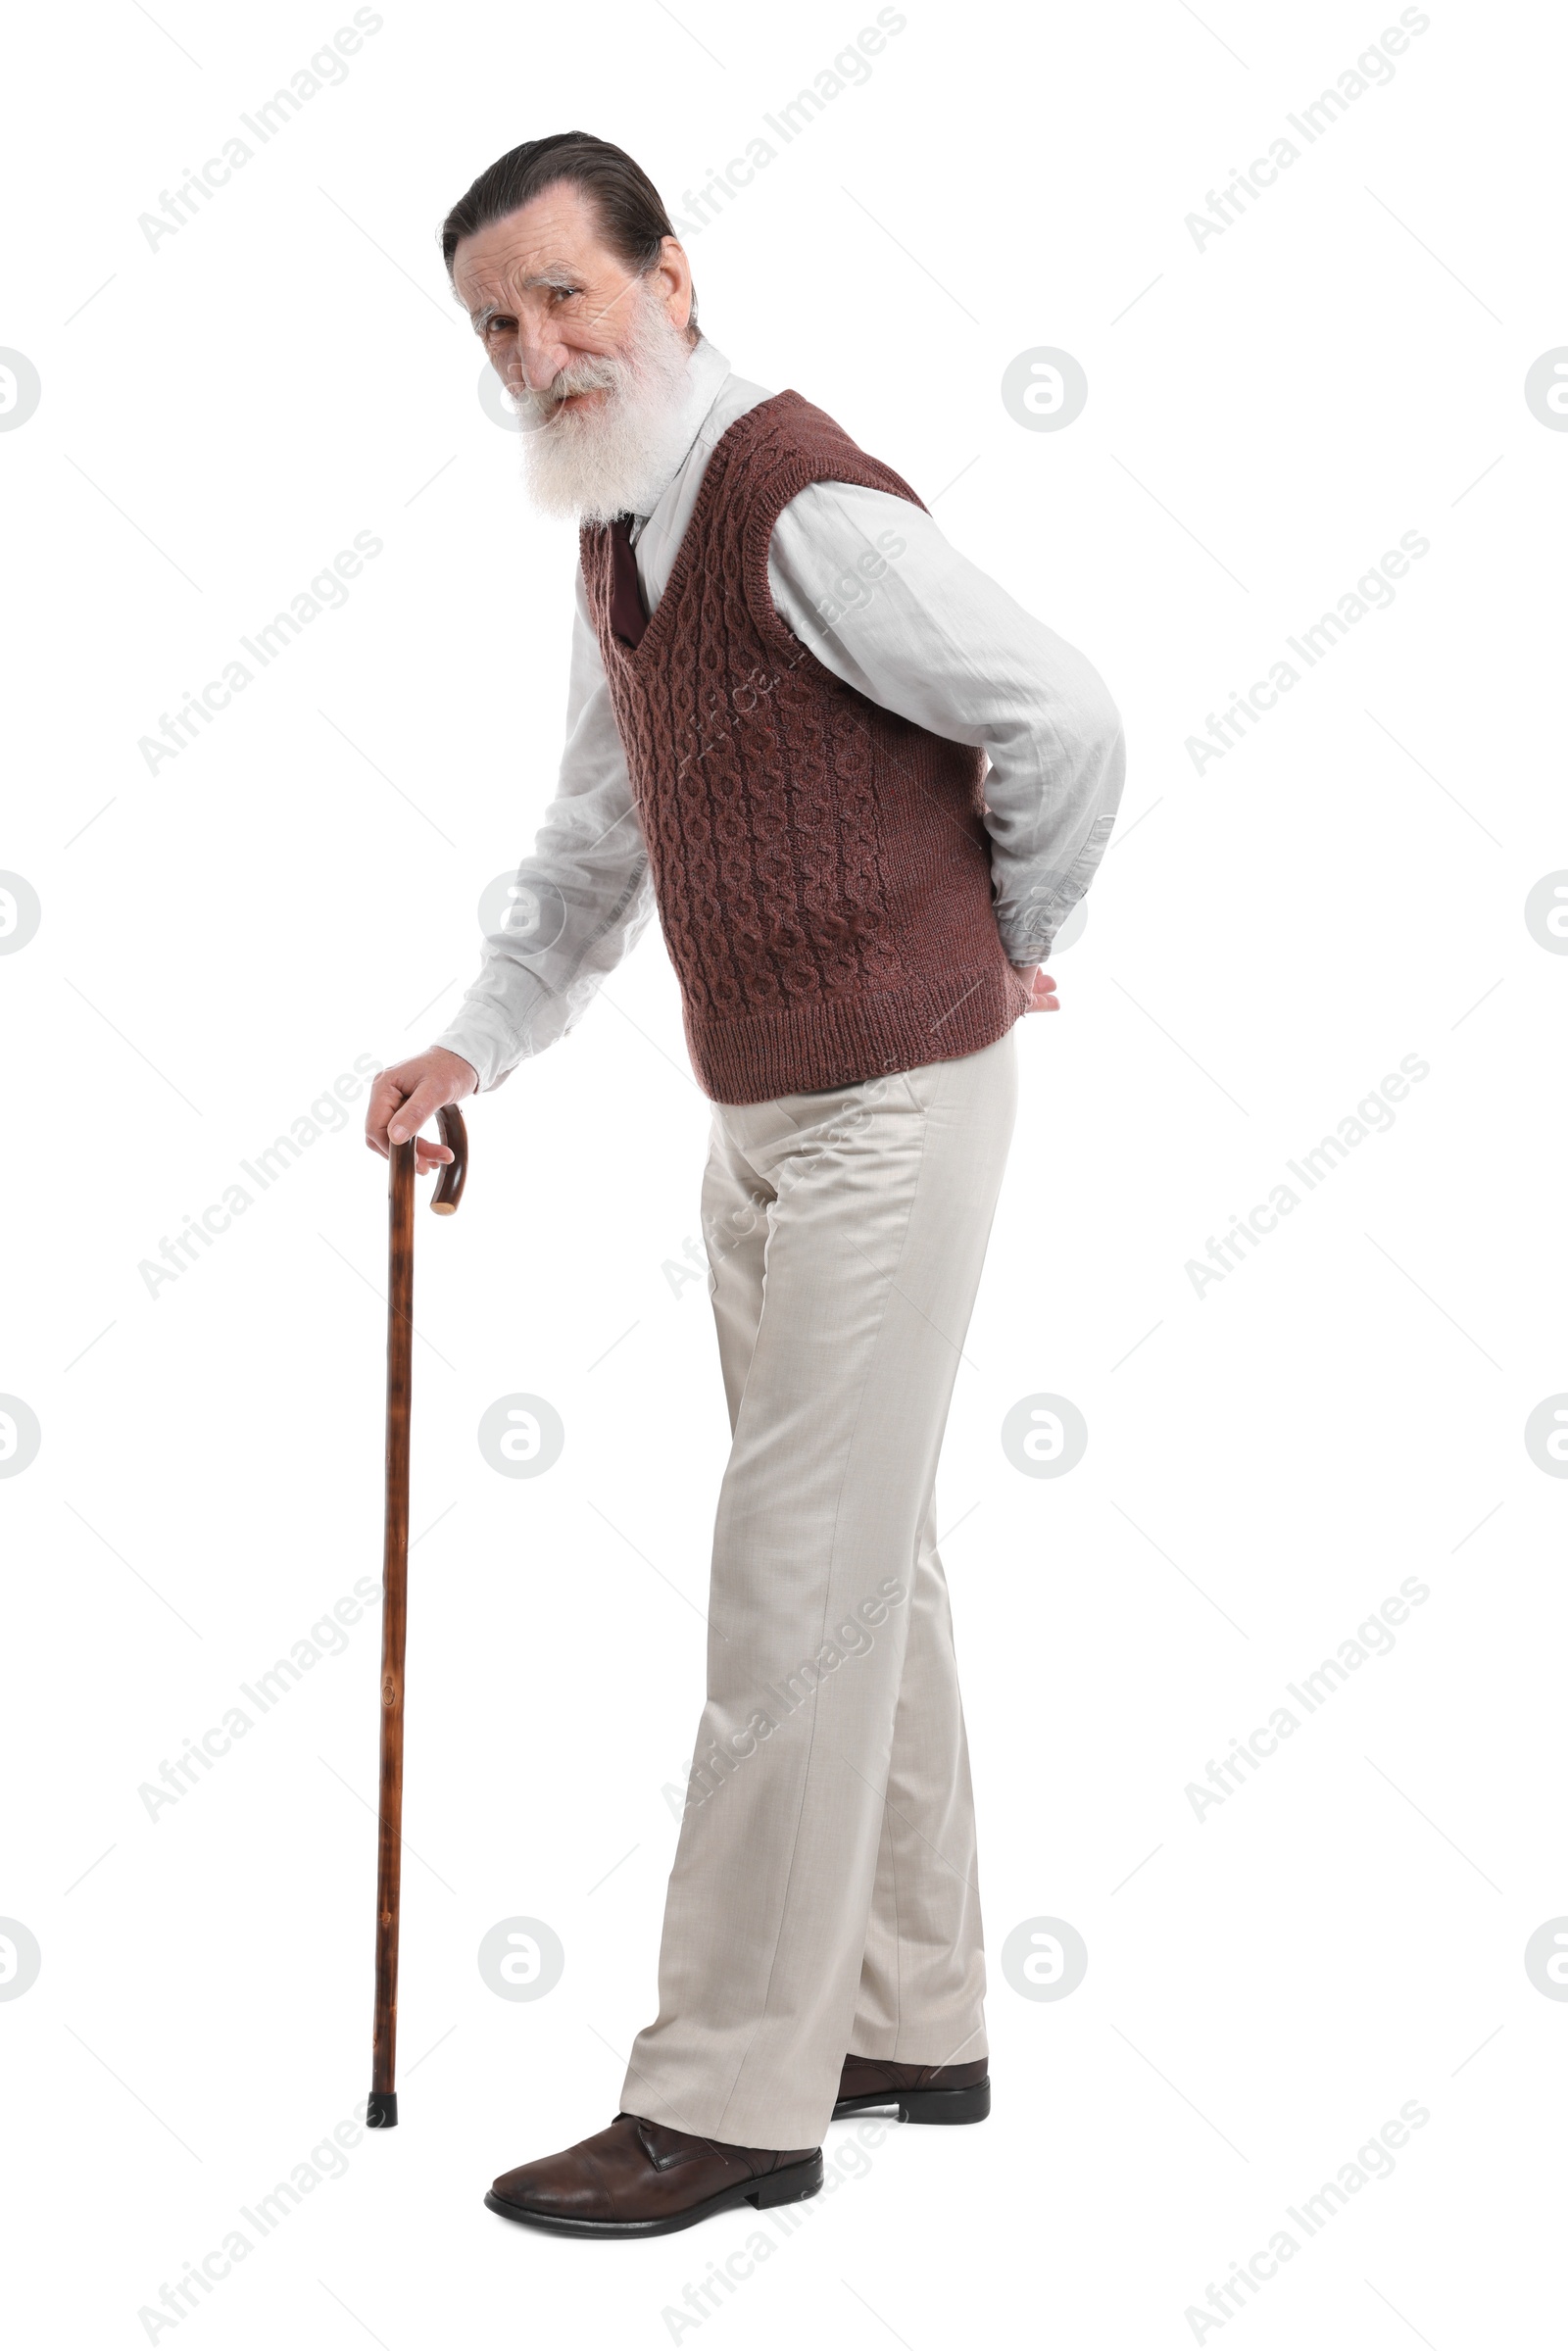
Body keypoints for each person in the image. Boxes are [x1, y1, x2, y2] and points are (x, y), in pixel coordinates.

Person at [365, 130, 1125, 2240]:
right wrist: (469, 1047)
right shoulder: (618, 537)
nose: (535, 348)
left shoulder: (800, 509)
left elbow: (1063, 715)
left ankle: (726, 2096)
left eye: (565, 295)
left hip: (893, 1100)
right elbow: (596, 853)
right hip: (764, 1114)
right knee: (863, 1570)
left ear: (669, 275)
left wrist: (1010, 932)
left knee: (785, 1592)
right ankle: (901, 2016)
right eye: (498, 325)